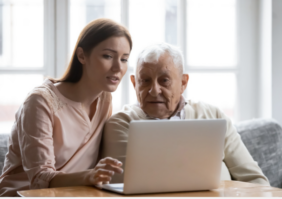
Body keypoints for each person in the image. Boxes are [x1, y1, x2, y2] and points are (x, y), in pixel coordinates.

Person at [101, 43, 270, 185]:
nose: (154, 90)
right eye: (145, 81)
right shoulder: (121, 123)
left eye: (164, 80)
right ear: (134, 83)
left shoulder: (213, 115)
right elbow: (123, 184)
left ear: (183, 83)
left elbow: (254, 179)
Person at [0, 18, 132, 196]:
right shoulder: (40, 102)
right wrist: (89, 176)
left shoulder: (105, 99)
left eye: (124, 59)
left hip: (74, 194)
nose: (118, 67)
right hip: (25, 195)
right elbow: (40, 178)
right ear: (82, 56)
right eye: (108, 56)